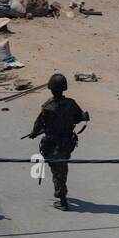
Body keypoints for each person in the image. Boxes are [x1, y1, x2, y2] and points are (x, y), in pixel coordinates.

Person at [26, 73, 89, 210]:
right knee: (62, 168)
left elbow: (39, 123)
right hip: (67, 144)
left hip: (52, 144)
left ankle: (62, 198)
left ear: (51, 89)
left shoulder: (48, 106)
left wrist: (33, 133)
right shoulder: (71, 103)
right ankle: (61, 193)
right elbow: (78, 118)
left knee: (57, 170)